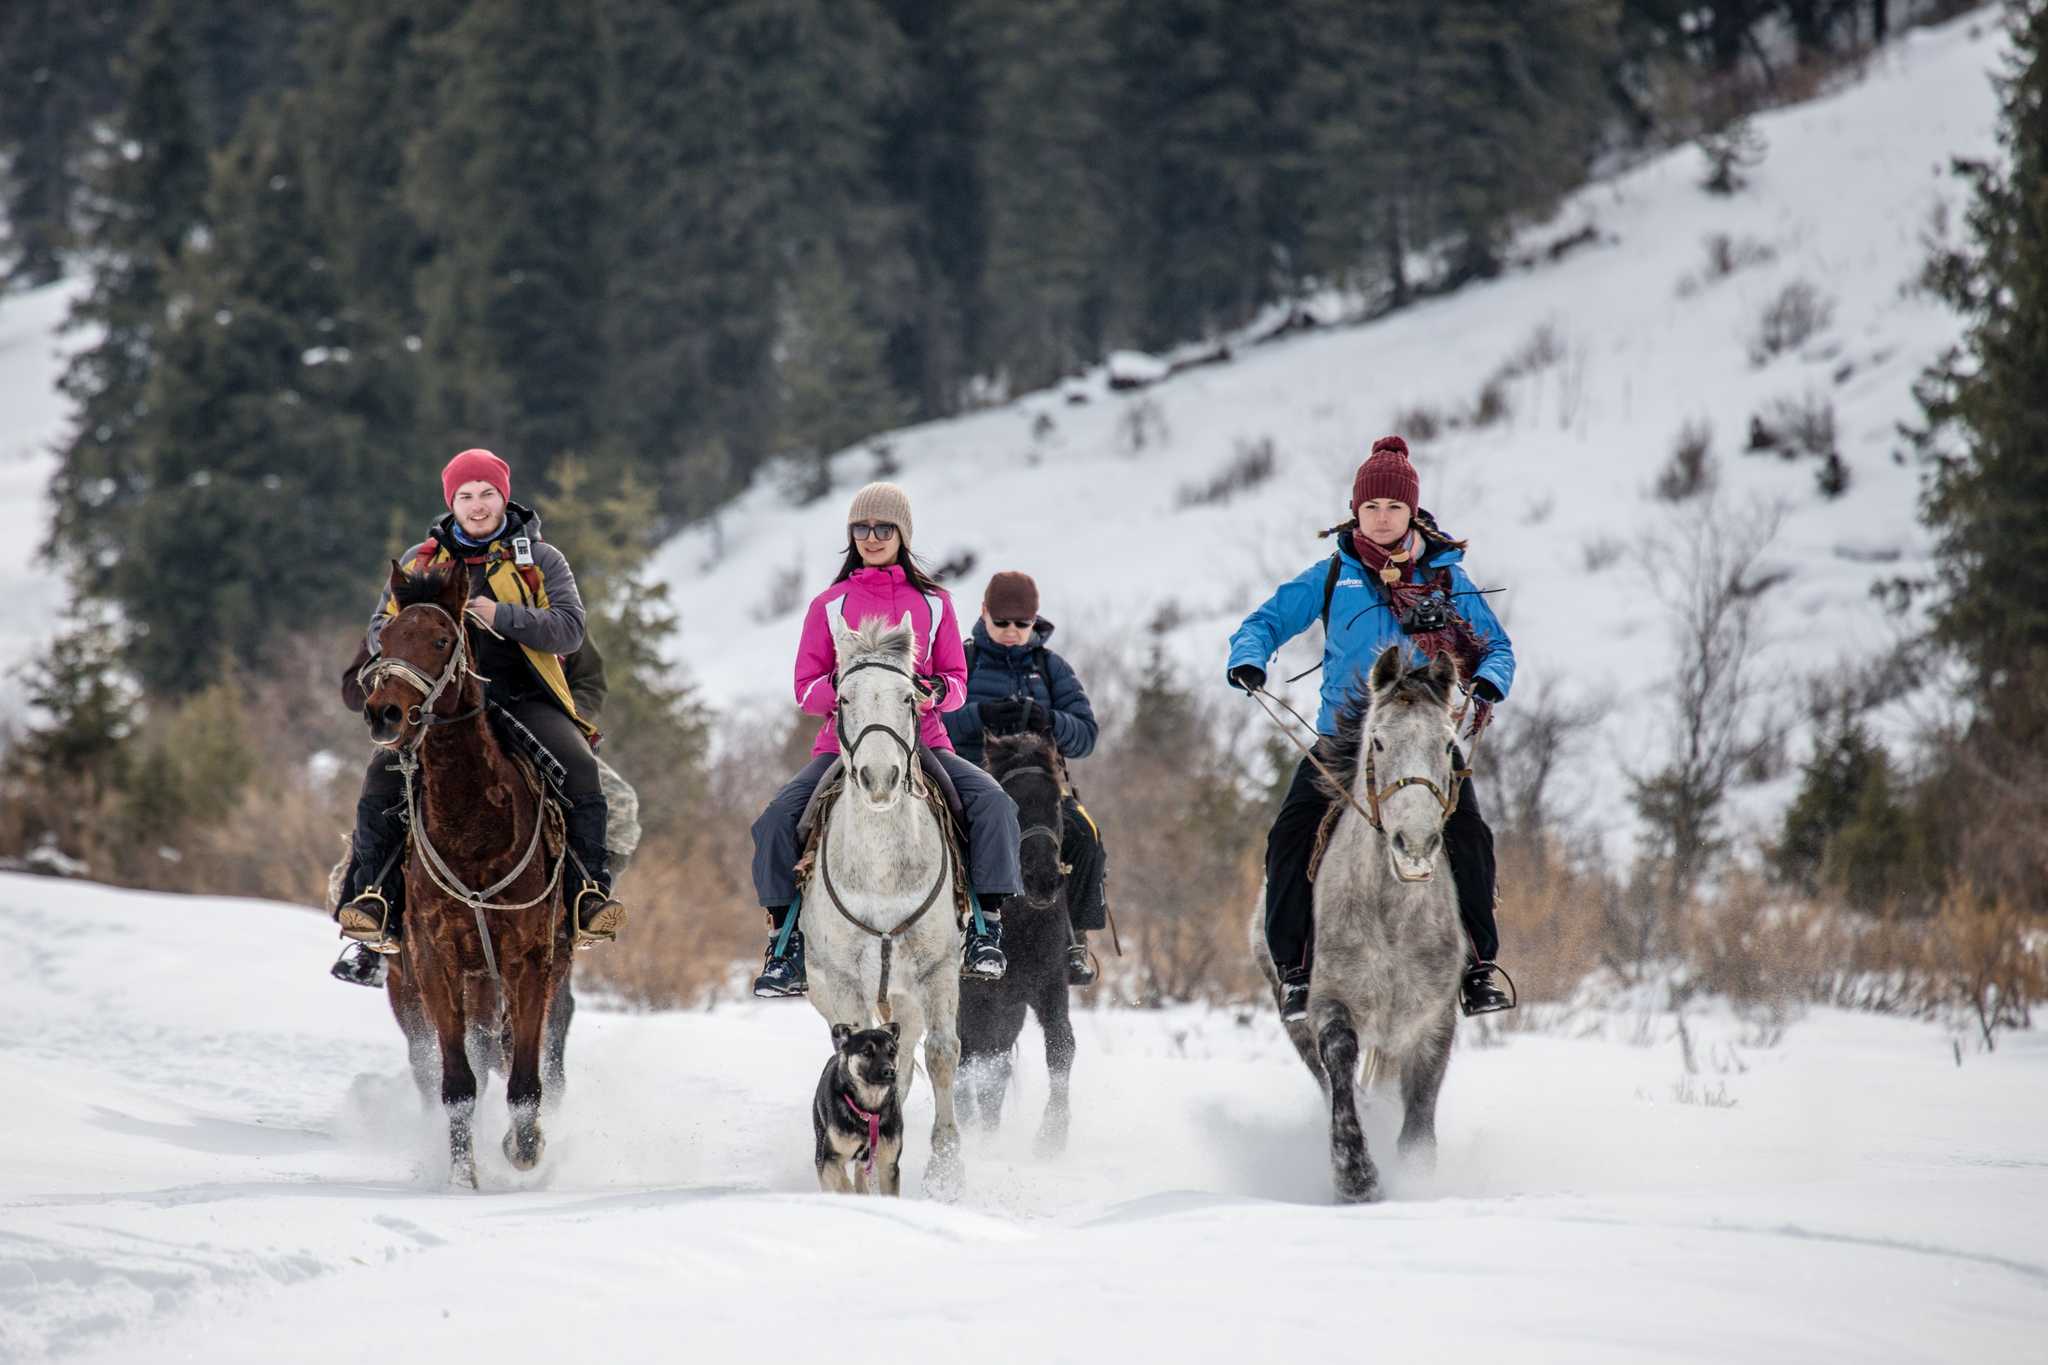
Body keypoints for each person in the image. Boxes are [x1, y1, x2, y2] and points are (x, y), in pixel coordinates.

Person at [1225, 436, 1516, 1023]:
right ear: (1355, 513)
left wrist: (1486, 683)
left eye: (1394, 508)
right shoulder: (1335, 573)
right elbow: (1266, 620)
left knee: (1472, 837)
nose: (1382, 519)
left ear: (1413, 513)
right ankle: (1296, 972)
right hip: (1342, 741)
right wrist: (1249, 655)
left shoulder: (1446, 579)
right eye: (1371, 508)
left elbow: (1497, 649)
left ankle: (1479, 967)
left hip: (1427, 741)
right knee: (1288, 838)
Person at [332, 448, 626, 956]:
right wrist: (424, 628)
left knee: (579, 768)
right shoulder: (420, 560)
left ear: (503, 496)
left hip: (522, 696)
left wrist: (502, 615)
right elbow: (381, 627)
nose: (478, 504)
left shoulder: (542, 559)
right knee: (381, 776)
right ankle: (371, 898)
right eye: (466, 495)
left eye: (487, 493)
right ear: (452, 502)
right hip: (440, 705)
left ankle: (588, 896)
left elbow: (571, 629)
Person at [749, 483, 1023, 998]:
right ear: (851, 535)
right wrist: (848, 690)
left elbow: (958, 680)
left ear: (903, 534)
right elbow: (806, 687)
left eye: (883, 528)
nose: (871, 538)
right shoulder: (829, 604)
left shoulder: (935, 603)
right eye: (861, 528)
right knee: (774, 822)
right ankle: (784, 945)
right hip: (842, 747)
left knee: (995, 805)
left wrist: (933, 692)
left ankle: (986, 929)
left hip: (925, 743)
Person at [942, 570, 1109, 985]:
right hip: (970, 782)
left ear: (1034, 621)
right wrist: (979, 716)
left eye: (1022, 623)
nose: (1012, 631)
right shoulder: (961, 661)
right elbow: (929, 719)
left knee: (1085, 834)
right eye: (1002, 622)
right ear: (984, 614)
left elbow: (1086, 736)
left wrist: (1049, 719)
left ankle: (1075, 938)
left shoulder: (1051, 668)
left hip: (1039, 788)